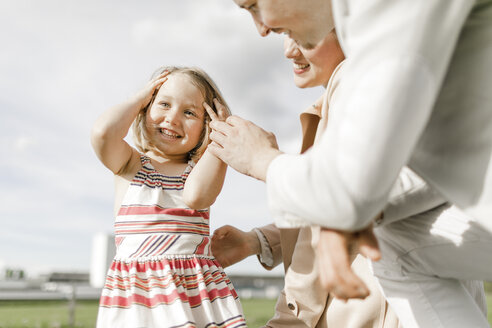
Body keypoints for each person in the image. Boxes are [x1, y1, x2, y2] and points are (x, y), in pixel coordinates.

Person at [209, 0, 492, 326]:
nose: (281, 43)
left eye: (255, 5)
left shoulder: (366, 62)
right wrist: (259, 241)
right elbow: (352, 197)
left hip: (380, 313)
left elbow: (353, 194)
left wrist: (263, 161)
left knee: (391, 239)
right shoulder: (347, 98)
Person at [90, 66, 246, 327]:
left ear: (206, 127)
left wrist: (220, 137)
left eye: (189, 112)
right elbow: (103, 134)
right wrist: (137, 99)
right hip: (139, 296)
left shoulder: (196, 172)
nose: (173, 119)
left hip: (194, 296)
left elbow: (197, 196)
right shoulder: (129, 164)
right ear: (144, 108)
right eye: (163, 104)